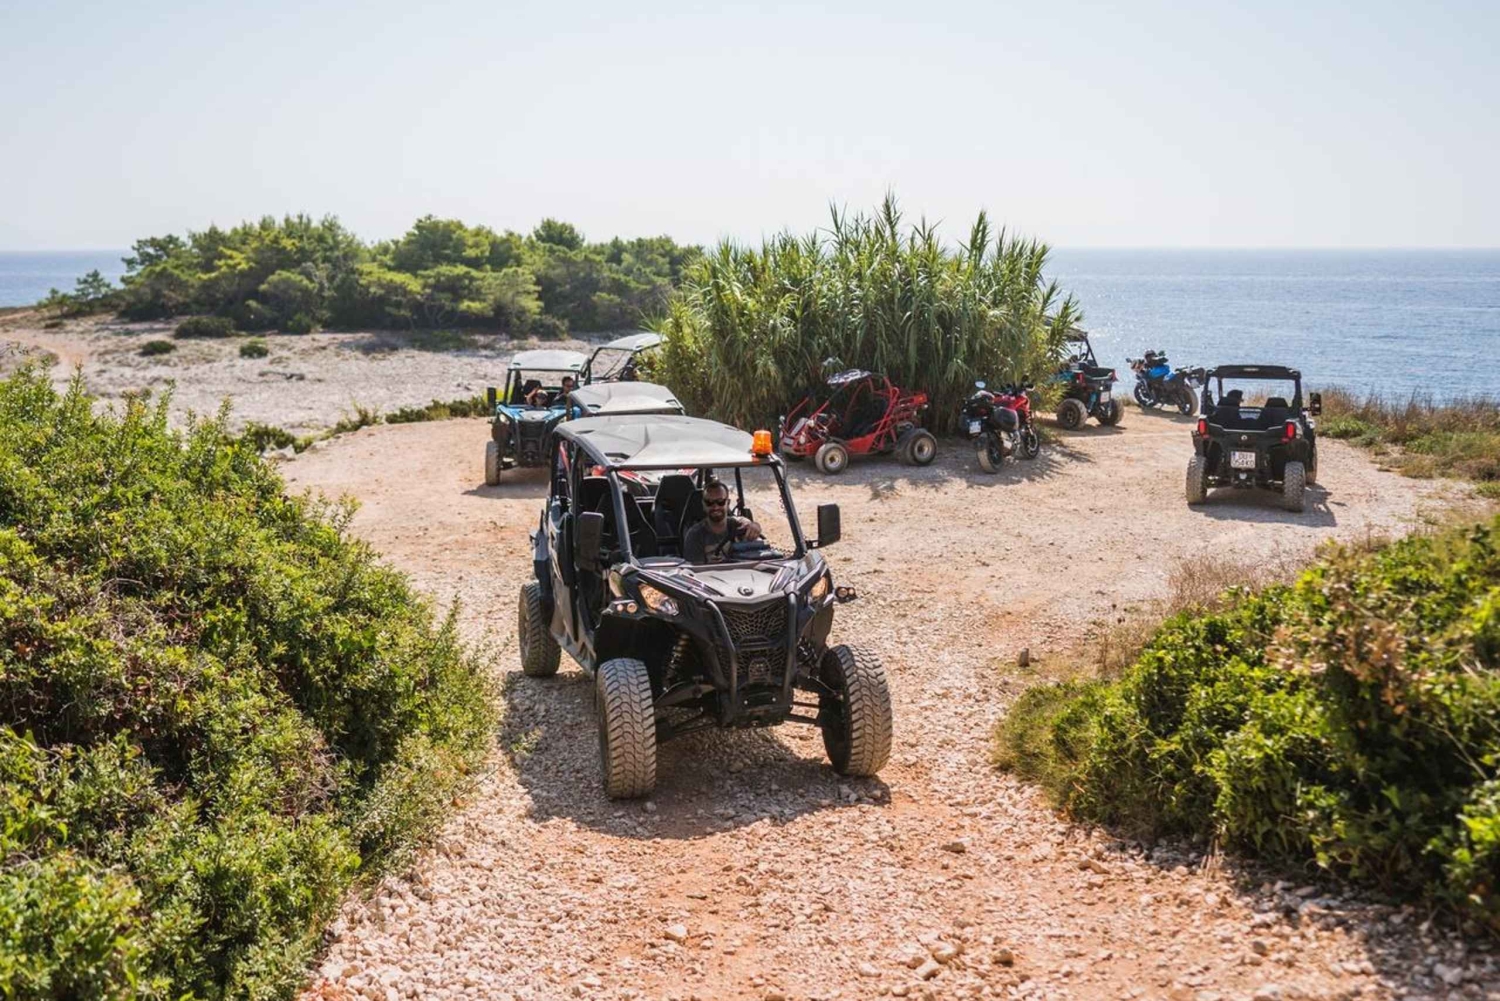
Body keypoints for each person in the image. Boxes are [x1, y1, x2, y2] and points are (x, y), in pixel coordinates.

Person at [683, 478, 762, 564]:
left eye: (720, 502)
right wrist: (707, 563)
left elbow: (759, 554)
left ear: (727, 503)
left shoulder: (740, 526)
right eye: (709, 502)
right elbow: (692, 570)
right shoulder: (695, 535)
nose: (715, 507)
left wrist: (755, 526)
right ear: (704, 505)